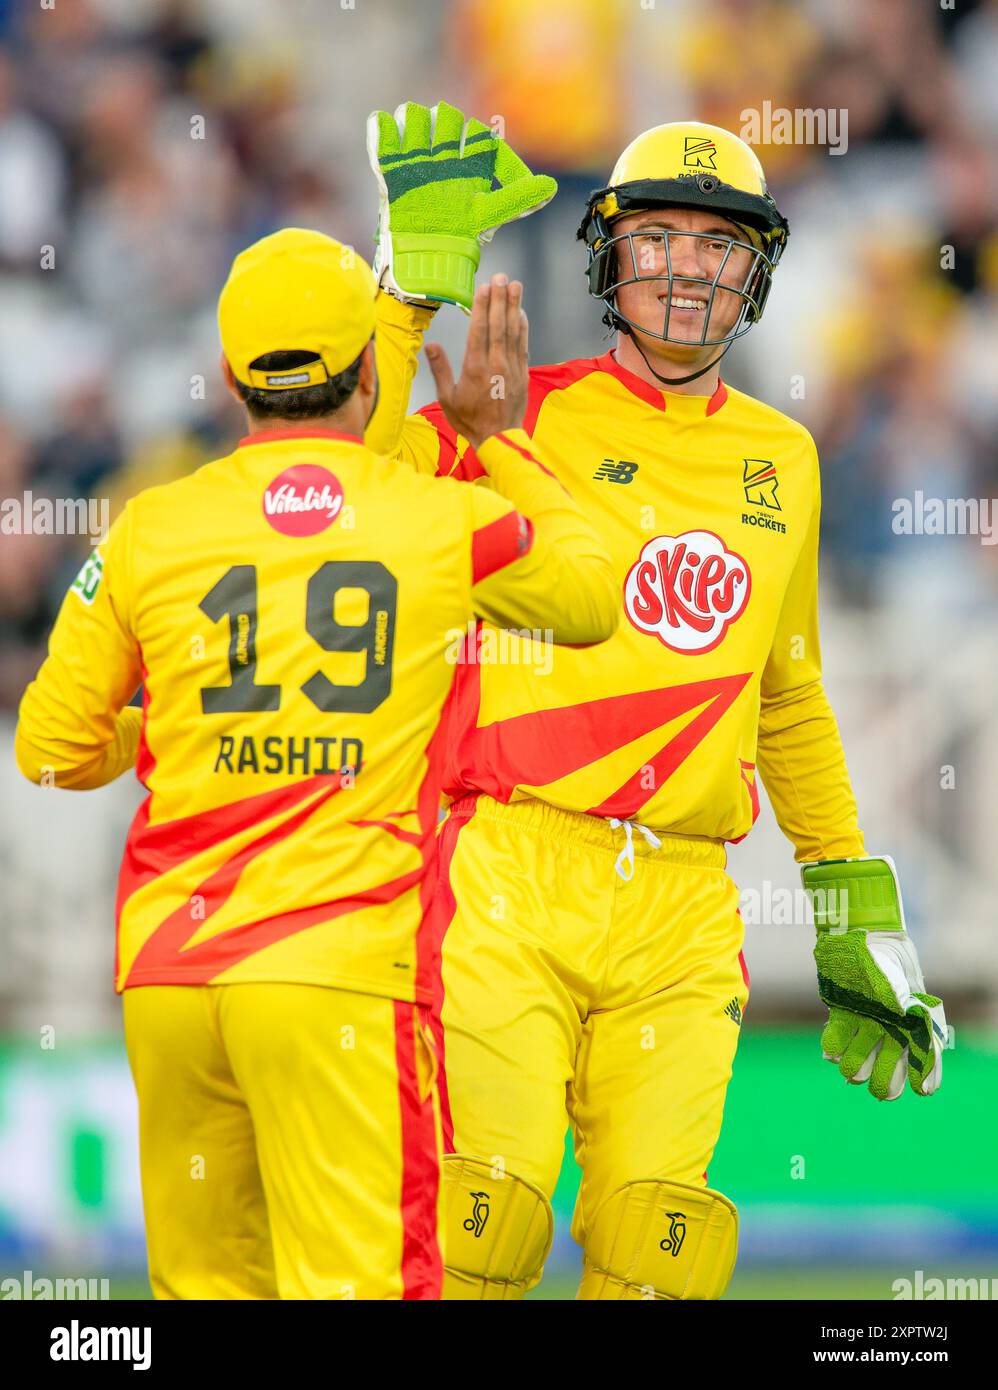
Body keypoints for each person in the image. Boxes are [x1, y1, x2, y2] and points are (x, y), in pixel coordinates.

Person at [365, 106, 949, 1300]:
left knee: (657, 1257)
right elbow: (351, 486)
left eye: (718, 243)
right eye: (659, 237)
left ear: (758, 270)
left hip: (683, 908)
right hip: (505, 876)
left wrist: (849, 902)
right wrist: (408, 290)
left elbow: (786, 697)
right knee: (481, 1222)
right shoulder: (517, 405)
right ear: (607, 256)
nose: (687, 267)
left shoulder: (785, 456)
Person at [14, 227, 618, 1299]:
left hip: (169, 975)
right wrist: (500, 438)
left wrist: (172, 730)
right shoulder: (439, 519)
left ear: (231, 378)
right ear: (372, 370)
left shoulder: (147, 527)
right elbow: (586, 597)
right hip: (338, 969)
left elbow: (50, 749)